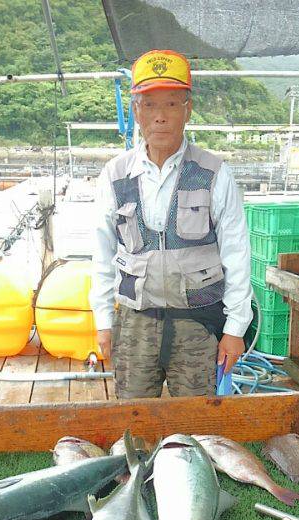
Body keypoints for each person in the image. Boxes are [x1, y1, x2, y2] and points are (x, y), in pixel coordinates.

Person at [90, 49, 252, 399]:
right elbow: (102, 254)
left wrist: (236, 328)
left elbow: (237, 253)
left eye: (171, 105)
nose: (160, 117)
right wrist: (103, 321)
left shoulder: (214, 172)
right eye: (149, 105)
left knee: (196, 423)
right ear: (136, 111)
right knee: (133, 420)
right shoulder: (114, 175)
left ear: (187, 110)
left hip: (198, 323)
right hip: (135, 323)